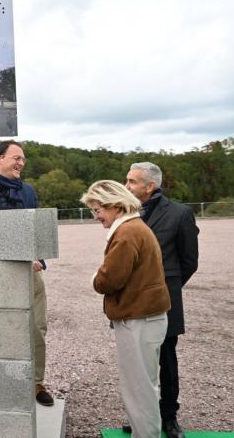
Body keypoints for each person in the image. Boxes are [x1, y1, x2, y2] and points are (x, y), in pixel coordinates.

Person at [0, 139, 54, 407]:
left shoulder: (28, 192)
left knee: (37, 327)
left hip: (29, 270)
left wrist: (36, 256)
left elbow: (37, 230)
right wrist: (21, 254)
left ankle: (36, 382)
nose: (21, 163)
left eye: (23, 159)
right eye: (17, 158)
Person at [81, 180, 171, 438]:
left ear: (115, 206)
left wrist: (95, 278)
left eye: (98, 210)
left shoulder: (127, 233)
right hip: (146, 317)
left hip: (138, 320)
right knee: (145, 386)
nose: (96, 217)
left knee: (139, 389)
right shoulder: (135, 227)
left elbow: (109, 280)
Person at [124, 162, 199, 438]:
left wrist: (165, 289)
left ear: (149, 186)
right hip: (130, 302)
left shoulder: (179, 214)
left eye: (132, 181)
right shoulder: (126, 213)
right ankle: (141, 417)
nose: (126, 186)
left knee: (166, 361)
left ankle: (169, 418)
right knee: (137, 363)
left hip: (165, 302)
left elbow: (189, 261)